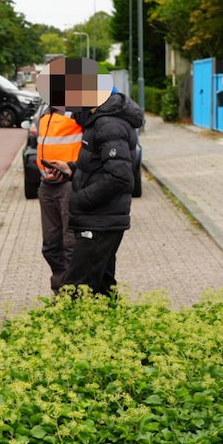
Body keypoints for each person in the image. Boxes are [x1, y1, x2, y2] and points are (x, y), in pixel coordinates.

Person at [39, 59, 144, 297]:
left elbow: (120, 178)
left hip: (100, 220)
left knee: (76, 292)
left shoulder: (109, 124)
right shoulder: (97, 119)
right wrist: (72, 169)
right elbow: (100, 166)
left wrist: (79, 199)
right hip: (99, 219)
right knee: (101, 290)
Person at [34, 65, 85, 294]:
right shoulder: (46, 109)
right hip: (47, 184)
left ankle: (72, 293)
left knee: (70, 243)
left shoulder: (78, 108)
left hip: (67, 184)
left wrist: (76, 170)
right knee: (51, 245)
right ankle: (61, 288)